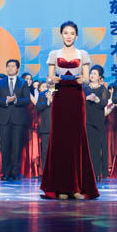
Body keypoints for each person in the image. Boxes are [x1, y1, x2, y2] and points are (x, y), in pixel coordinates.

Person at [41, 21, 99, 199]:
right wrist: (52, 80)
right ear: (61, 35)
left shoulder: (83, 54)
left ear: (76, 36)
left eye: (72, 33)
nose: (68, 36)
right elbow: (49, 79)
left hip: (76, 98)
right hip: (60, 98)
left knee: (76, 140)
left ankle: (77, 187)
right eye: (65, 33)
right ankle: (61, 188)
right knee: (60, 140)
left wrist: (83, 79)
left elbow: (87, 79)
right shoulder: (54, 54)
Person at [0, 58, 31, 181]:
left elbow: (27, 100)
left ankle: (15, 172)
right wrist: (6, 101)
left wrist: (16, 100)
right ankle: (5, 172)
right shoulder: (0, 83)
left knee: (16, 147)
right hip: (4, 119)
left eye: (13, 66)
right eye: (8, 66)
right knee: (5, 147)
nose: (10, 68)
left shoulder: (23, 83)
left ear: (17, 69)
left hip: (18, 119)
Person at [84, 65, 109, 182]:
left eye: (95, 74)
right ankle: (85, 174)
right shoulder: (84, 87)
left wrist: (96, 99)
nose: (92, 75)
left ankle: (96, 173)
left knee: (96, 148)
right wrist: (86, 98)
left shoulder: (103, 89)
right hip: (86, 121)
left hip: (98, 122)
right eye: (91, 73)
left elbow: (104, 103)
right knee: (86, 148)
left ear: (100, 77)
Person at [35, 81, 53, 171]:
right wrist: (48, 102)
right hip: (46, 126)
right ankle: (46, 170)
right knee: (45, 149)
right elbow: (38, 107)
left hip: (59, 126)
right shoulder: (43, 94)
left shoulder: (61, 93)